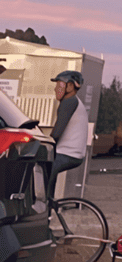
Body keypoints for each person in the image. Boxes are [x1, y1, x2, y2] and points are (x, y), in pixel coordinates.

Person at [48, 70, 88, 199]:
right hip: (72, 153)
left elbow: (57, 133)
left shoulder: (69, 102)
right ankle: (49, 203)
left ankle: (45, 204)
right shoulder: (74, 102)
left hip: (68, 154)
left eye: (59, 85)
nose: (55, 89)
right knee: (47, 170)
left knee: (44, 168)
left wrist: (45, 143)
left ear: (70, 86)